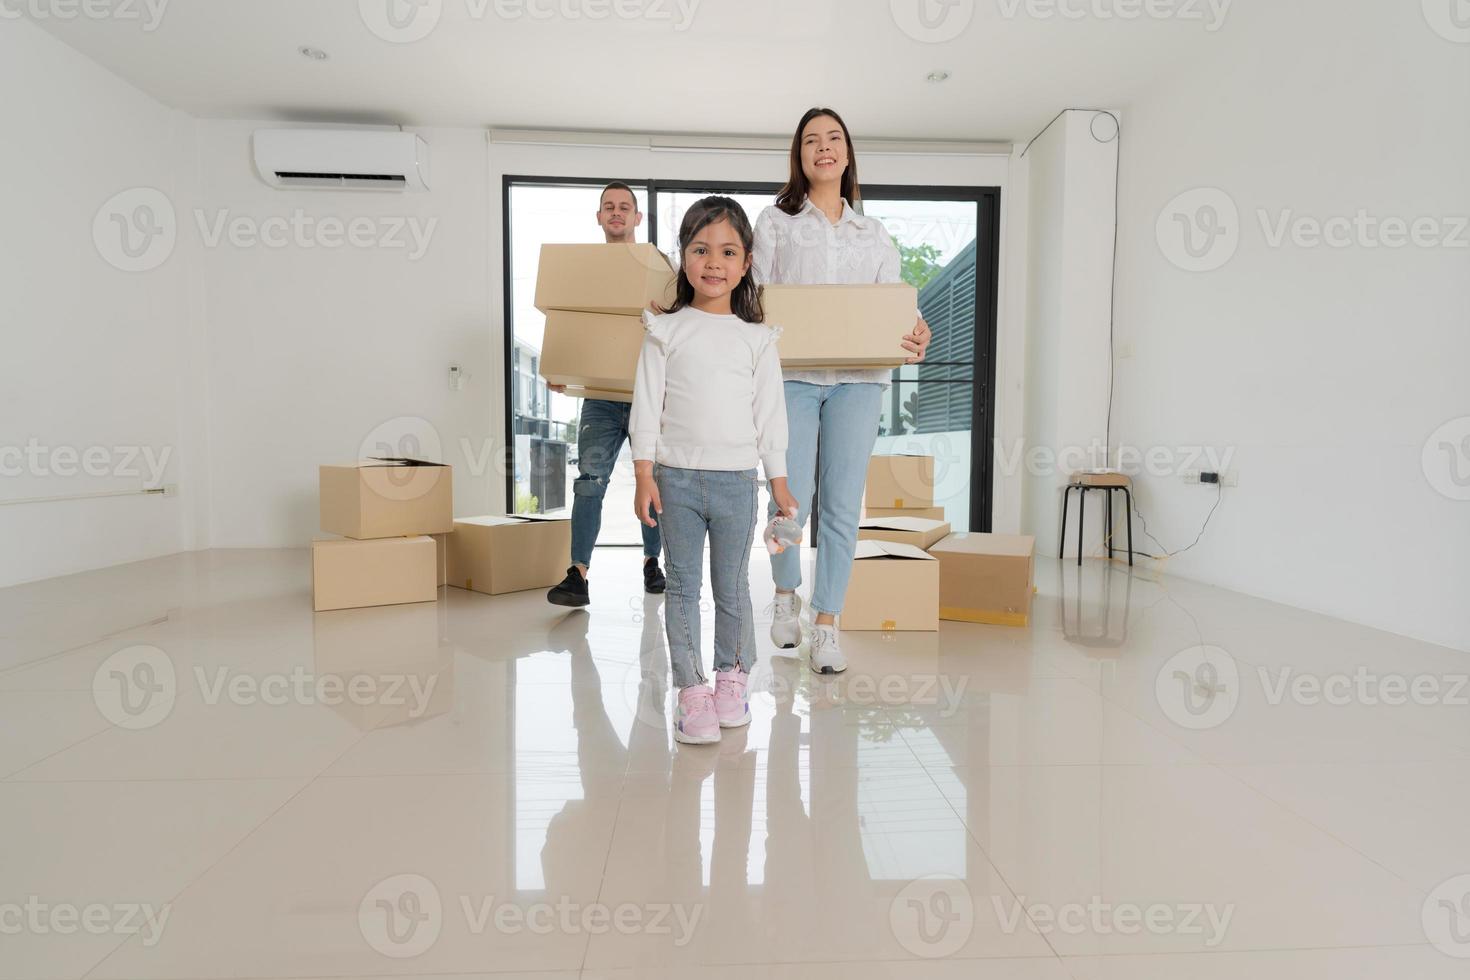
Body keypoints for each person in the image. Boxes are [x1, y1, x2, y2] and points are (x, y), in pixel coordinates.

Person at [753, 107, 932, 674]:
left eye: (833, 139)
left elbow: (893, 309)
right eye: (812, 140)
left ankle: (826, 624)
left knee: (841, 506)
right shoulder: (776, 224)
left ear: (848, 153)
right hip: (793, 377)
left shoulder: (874, 234)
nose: (823, 148)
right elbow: (754, 299)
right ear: (799, 155)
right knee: (790, 497)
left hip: (859, 383)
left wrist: (917, 329)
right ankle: (786, 593)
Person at [630, 196, 798, 745]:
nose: (713, 262)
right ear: (684, 257)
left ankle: (732, 679)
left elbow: (769, 415)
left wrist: (779, 484)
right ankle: (691, 690)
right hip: (674, 480)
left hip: (735, 484)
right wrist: (643, 474)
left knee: (730, 586)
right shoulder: (665, 330)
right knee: (681, 587)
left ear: (746, 263)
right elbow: (646, 405)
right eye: (701, 249)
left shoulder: (756, 339)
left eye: (728, 252)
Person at [546, 181, 666, 607]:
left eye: (624, 207)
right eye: (608, 207)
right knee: (589, 483)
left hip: (647, 395)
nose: (616, 213)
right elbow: (567, 322)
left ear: (638, 218)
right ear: (598, 217)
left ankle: (653, 561)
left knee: (651, 483)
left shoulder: (657, 268)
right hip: (599, 396)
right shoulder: (583, 272)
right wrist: (559, 368)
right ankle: (577, 575)